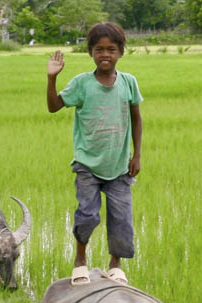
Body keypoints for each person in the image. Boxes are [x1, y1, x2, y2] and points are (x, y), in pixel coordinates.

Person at [46, 22, 142, 286]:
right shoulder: (81, 84)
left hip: (120, 166)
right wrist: (52, 78)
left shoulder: (129, 83)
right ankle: (80, 261)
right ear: (90, 52)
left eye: (111, 49)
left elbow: (136, 118)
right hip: (87, 165)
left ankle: (115, 265)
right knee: (87, 215)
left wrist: (137, 155)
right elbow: (54, 107)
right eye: (99, 49)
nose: (105, 54)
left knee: (121, 218)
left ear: (121, 52)